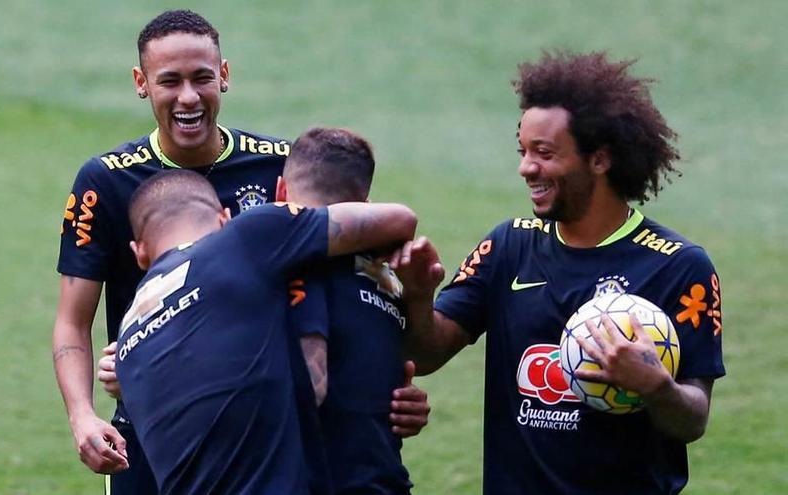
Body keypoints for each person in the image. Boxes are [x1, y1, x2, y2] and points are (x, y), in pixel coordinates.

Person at [54, 10, 427, 493]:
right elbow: (71, 319)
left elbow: (340, 286)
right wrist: (82, 416)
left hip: (262, 416)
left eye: (202, 78)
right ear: (141, 83)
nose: (188, 97)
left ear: (224, 76)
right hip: (152, 419)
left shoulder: (280, 166)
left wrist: (380, 387)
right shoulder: (104, 181)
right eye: (170, 81)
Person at [394, 51, 724, 494]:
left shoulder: (678, 265)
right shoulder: (509, 246)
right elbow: (429, 353)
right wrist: (418, 295)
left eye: (544, 153)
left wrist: (657, 387)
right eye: (524, 151)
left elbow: (693, 418)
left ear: (600, 160)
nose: (526, 167)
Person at [116, 169, 418, 494]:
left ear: (140, 253)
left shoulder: (125, 344)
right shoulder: (243, 239)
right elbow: (399, 220)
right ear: (224, 218)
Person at [278, 128, 423, 494]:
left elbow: (312, 390)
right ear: (365, 210)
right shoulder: (387, 278)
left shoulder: (282, 265)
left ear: (281, 192)